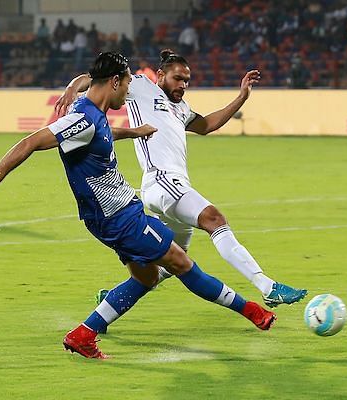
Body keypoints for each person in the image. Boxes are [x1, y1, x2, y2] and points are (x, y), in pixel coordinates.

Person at [0, 52, 276, 359]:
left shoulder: (93, 115)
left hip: (109, 215)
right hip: (120, 217)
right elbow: (30, 143)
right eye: (127, 82)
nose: (129, 89)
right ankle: (253, 312)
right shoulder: (83, 118)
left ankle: (84, 334)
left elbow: (101, 133)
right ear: (114, 81)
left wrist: (133, 132)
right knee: (181, 264)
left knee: (146, 278)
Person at [55, 50, 307, 317]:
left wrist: (241, 97)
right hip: (162, 180)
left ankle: (114, 298)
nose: (183, 85)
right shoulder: (140, 87)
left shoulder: (182, 109)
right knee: (214, 219)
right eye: (178, 79)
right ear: (161, 75)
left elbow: (208, 124)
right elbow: (94, 78)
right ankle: (266, 285)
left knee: (171, 261)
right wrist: (72, 88)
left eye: (187, 81)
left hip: (172, 185)